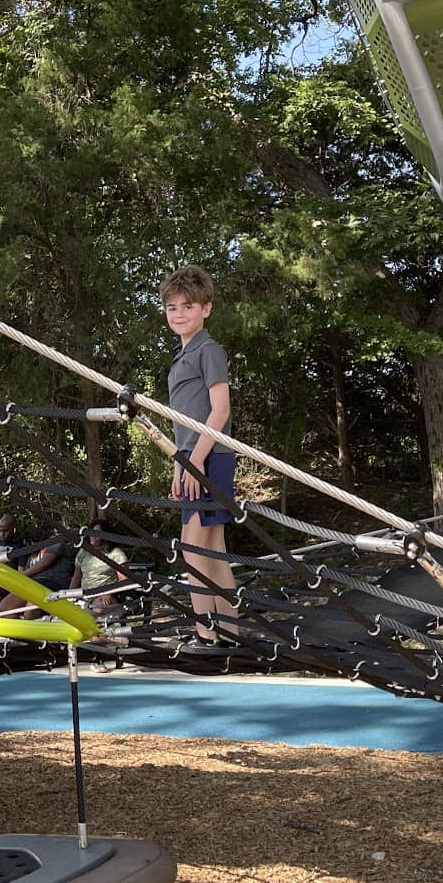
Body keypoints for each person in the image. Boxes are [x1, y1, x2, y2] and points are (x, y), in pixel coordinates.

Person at [162, 265, 239, 649]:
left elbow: (220, 411)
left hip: (209, 455)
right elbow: (183, 425)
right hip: (195, 455)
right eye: (172, 308)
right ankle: (228, 633)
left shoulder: (208, 350)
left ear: (206, 309)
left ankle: (206, 634)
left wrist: (194, 461)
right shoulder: (182, 355)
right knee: (212, 549)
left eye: (187, 307)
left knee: (193, 550)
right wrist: (180, 465)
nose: (179, 314)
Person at [0, 528, 74, 616]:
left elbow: (44, 563)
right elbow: (24, 573)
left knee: (30, 611)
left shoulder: (54, 542)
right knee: (6, 605)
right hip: (34, 584)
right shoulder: (31, 557)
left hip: (53, 581)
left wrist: (20, 576)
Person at [69, 520, 129, 612]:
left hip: (107, 596)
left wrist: (108, 592)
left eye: (96, 533)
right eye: (91, 533)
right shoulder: (83, 552)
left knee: (98, 608)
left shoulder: (116, 554)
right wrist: (69, 596)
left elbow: (123, 579)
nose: (92, 536)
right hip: (85, 596)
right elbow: (76, 578)